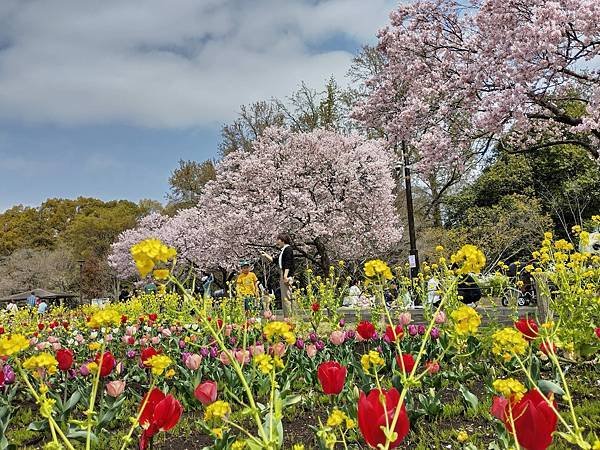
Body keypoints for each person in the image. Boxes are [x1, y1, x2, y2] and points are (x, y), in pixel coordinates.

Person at [261, 233, 295, 317]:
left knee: (287, 297)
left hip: (286, 274)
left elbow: (288, 263)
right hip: (282, 273)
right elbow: (275, 261)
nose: (276, 242)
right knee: (284, 297)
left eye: (278, 239)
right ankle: (287, 316)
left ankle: (289, 317)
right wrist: (265, 255)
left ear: (283, 240)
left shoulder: (288, 249)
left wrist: (285, 276)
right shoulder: (283, 250)